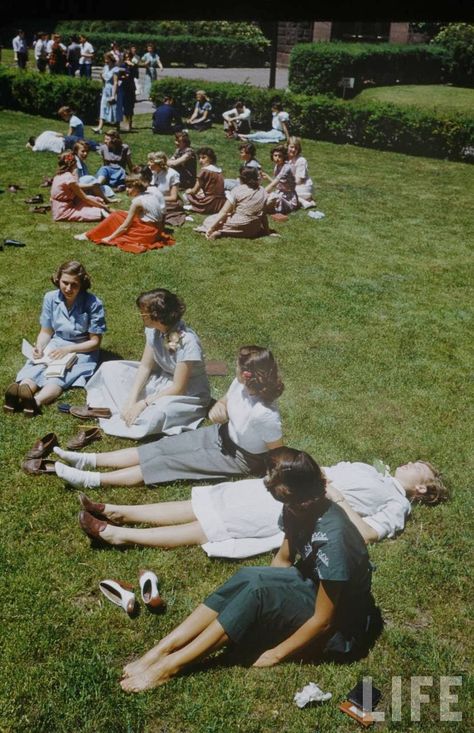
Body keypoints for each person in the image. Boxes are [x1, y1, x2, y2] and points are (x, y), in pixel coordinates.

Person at [116, 447, 381, 693]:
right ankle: (162, 650)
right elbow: (284, 559)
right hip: (310, 585)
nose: (270, 490)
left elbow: (324, 621)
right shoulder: (295, 509)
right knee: (249, 579)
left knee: (257, 592)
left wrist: (276, 653)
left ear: (300, 498)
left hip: (344, 627)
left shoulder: (333, 537)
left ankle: (170, 667)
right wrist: (262, 603)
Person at [77, 457, 447, 556]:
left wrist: (339, 499)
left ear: (422, 488)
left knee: (220, 523)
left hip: (302, 506)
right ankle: (118, 510)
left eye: (420, 466)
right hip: (292, 481)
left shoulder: (397, 505)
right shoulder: (375, 472)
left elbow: (366, 534)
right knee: (210, 499)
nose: (412, 461)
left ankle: (118, 535)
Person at [53, 345, 284, 488]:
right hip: (221, 433)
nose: (233, 368)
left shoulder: (265, 415)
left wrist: (272, 481)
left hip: (241, 457)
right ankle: (87, 460)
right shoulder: (240, 384)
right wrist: (220, 408)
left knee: (167, 462)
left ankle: (91, 480)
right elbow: (225, 400)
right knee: (161, 447)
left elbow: (279, 454)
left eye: (236, 365)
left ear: (247, 373)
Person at [84, 288, 211, 440]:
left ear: (156, 316)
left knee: (157, 415)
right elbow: (145, 366)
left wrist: (142, 403)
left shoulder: (187, 341)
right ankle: (126, 409)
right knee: (108, 369)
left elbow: (179, 387)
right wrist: (132, 399)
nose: (140, 315)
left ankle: (133, 413)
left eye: (143, 313)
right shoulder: (153, 330)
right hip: (161, 379)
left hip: (186, 392)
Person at [4, 261, 106, 416]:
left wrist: (68, 349)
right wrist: (39, 347)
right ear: (58, 279)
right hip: (57, 343)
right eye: (65, 283)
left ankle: (36, 401)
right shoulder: (50, 298)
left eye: (74, 285)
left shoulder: (93, 303)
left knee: (58, 375)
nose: (68, 289)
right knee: (36, 366)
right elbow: (46, 331)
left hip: (81, 349)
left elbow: (95, 342)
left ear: (82, 284)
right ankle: (21, 391)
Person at [73, 176, 175, 254]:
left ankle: (89, 235)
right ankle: (89, 233)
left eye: (130, 187)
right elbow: (137, 215)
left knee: (115, 217)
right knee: (118, 214)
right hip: (155, 231)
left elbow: (124, 227)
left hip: (146, 233)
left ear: (138, 188)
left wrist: (110, 238)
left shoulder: (137, 202)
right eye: (127, 186)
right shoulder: (150, 195)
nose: (127, 189)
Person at [194, 167, 269, 241]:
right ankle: (223, 233)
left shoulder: (238, 190)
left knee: (209, 220)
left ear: (241, 179)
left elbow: (224, 212)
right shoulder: (263, 191)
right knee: (235, 219)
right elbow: (263, 214)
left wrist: (212, 227)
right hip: (253, 229)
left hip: (239, 223)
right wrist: (267, 231)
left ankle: (220, 232)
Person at [50, 151, 109, 222]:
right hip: (64, 211)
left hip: (61, 206)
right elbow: (85, 198)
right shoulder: (69, 178)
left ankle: (99, 207)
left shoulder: (58, 175)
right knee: (94, 210)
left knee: (95, 200)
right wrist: (102, 207)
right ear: (73, 164)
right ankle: (101, 212)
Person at [147, 151, 185, 226]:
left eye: (151, 161)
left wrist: (155, 198)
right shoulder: (152, 172)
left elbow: (173, 197)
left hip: (168, 202)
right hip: (153, 199)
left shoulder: (172, 174)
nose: (148, 163)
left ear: (159, 163)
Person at [184, 147, 225, 215]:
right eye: (199, 158)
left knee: (187, 195)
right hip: (220, 203)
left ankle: (195, 206)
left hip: (209, 203)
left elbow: (194, 190)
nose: (200, 160)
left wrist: (188, 191)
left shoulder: (204, 171)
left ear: (211, 159)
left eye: (203, 158)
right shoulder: (218, 171)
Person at [93, 53, 124, 134]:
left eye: (107, 60)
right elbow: (104, 80)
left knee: (115, 108)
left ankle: (117, 127)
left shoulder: (116, 69)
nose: (106, 62)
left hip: (113, 90)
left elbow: (115, 82)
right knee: (103, 107)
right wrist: (102, 77)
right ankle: (99, 128)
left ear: (111, 60)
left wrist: (113, 95)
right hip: (106, 89)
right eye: (105, 61)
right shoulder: (105, 67)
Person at [263, 145, 299, 215]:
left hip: (289, 199)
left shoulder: (286, 168)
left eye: (280, 156)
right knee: (266, 196)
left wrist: (258, 194)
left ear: (284, 157)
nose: (277, 158)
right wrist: (268, 177)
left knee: (270, 197)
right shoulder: (277, 166)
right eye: (275, 155)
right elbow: (278, 184)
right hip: (280, 193)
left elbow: (273, 185)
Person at [287, 137, 315, 209]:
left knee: (284, 192)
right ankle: (306, 200)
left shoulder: (301, 160)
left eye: (296, 148)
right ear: (287, 146)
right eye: (292, 147)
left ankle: (303, 201)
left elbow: (299, 181)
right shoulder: (285, 159)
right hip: (293, 185)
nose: (293, 150)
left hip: (303, 186)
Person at [119, 57, 136, 132]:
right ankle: (126, 122)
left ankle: (130, 122)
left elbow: (136, 75)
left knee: (131, 106)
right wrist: (122, 76)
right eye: (126, 58)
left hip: (131, 87)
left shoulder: (133, 66)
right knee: (125, 105)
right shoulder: (122, 66)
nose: (127, 60)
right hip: (124, 87)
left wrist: (132, 66)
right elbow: (119, 76)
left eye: (129, 58)